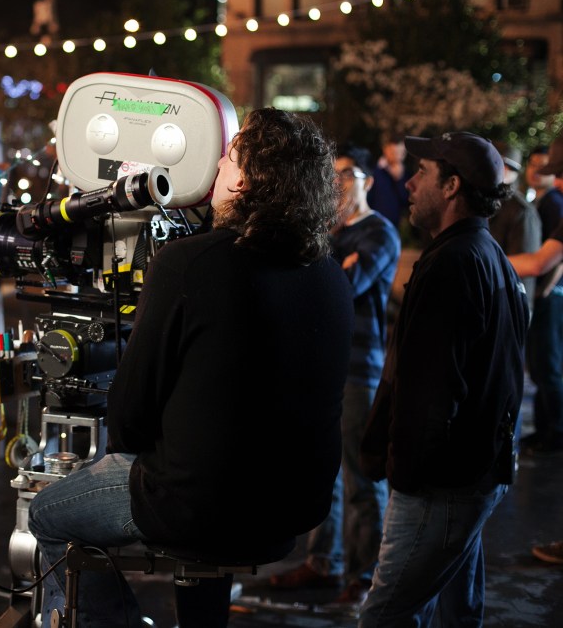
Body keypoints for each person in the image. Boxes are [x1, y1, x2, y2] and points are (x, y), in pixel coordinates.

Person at [28, 108, 354, 627]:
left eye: (229, 157)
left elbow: (129, 417)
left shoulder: (188, 262)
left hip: (198, 506)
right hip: (292, 508)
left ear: (244, 180)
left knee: (46, 514)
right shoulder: (330, 276)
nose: (218, 166)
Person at [359, 132, 528, 626]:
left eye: (422, 172)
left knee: (386, 615)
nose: (409, 184)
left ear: (452, 186)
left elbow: (431, 392)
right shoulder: (486, 254)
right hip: (472, 472)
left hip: (442, 484)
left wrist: (405, 474)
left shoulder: (453, 263)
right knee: (457, 613)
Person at [270, 143, 399, 607]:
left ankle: (365, 575)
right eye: (333, 175)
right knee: (324, 472)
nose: (339, 183)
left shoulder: (380, 232)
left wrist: (326, 271)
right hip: (323, 366)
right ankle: (324, 562)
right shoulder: (330, 233)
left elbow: (345, 287)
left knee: (362, 478)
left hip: (360, 368)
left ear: (367, 180)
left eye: (348, 174)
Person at [507, 136, 563, 456]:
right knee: (543, 368)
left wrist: (545, 291)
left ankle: (554, 434)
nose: (557, 181)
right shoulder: (547, 202)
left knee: (548, 367)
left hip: (551, 298)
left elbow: (544, 263)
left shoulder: (552, 203)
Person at [488, 143, 541, 309]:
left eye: (508, 167)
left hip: (508, 303)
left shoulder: (522, 211)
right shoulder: (483, 201)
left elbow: (527, 265)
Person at [367, 134, 412, 229]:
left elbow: (406, 201)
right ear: (385, 149)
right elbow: (367, 199)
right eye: (393, 152)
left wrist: (399, 180)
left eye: (401, 153)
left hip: (395, 225)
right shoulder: (374, 171)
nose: (397, 156)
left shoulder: (406, 174)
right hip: (374, 224)